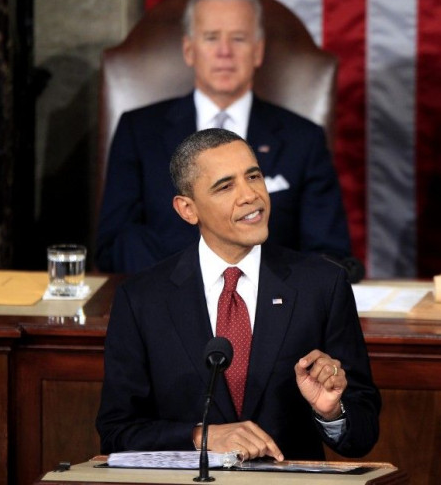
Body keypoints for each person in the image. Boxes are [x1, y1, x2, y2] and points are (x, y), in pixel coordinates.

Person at [96, 128, 380, 460]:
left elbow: (363, 434)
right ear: (188, 209)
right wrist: (202, 436)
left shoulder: (322, 285)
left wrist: (331, 413)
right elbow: (116, 434)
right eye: (225, 186)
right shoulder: (142, 298)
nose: (250, 195)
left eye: (254, 177)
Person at [96, 0, 352, 274]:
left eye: (239, 39)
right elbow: (114, 244)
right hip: (164, 304)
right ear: (189, 50)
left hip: (271, 307)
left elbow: (330, 253)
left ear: (258, 52)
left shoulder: (303, 138)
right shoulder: (139, 131)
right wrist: (188, 284)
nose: (224, 52)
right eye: (211, 38)